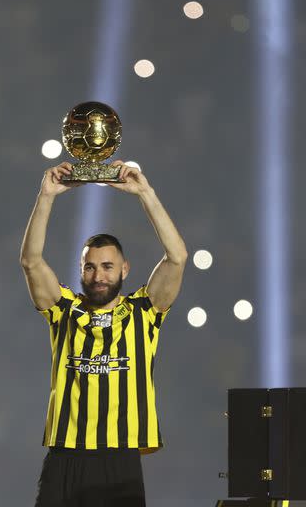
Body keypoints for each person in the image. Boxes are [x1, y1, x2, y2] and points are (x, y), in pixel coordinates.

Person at [20, 161, 187, 506]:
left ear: (124, 269)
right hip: (66, 456)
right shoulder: (64, 310)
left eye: (108, 266)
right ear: (80, 270)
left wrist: (145, 192)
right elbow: (31, 262)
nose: (99, 275)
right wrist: (46, 196)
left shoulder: (145, 312)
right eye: (91, 267)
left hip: (120, 460)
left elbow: (177, 257)